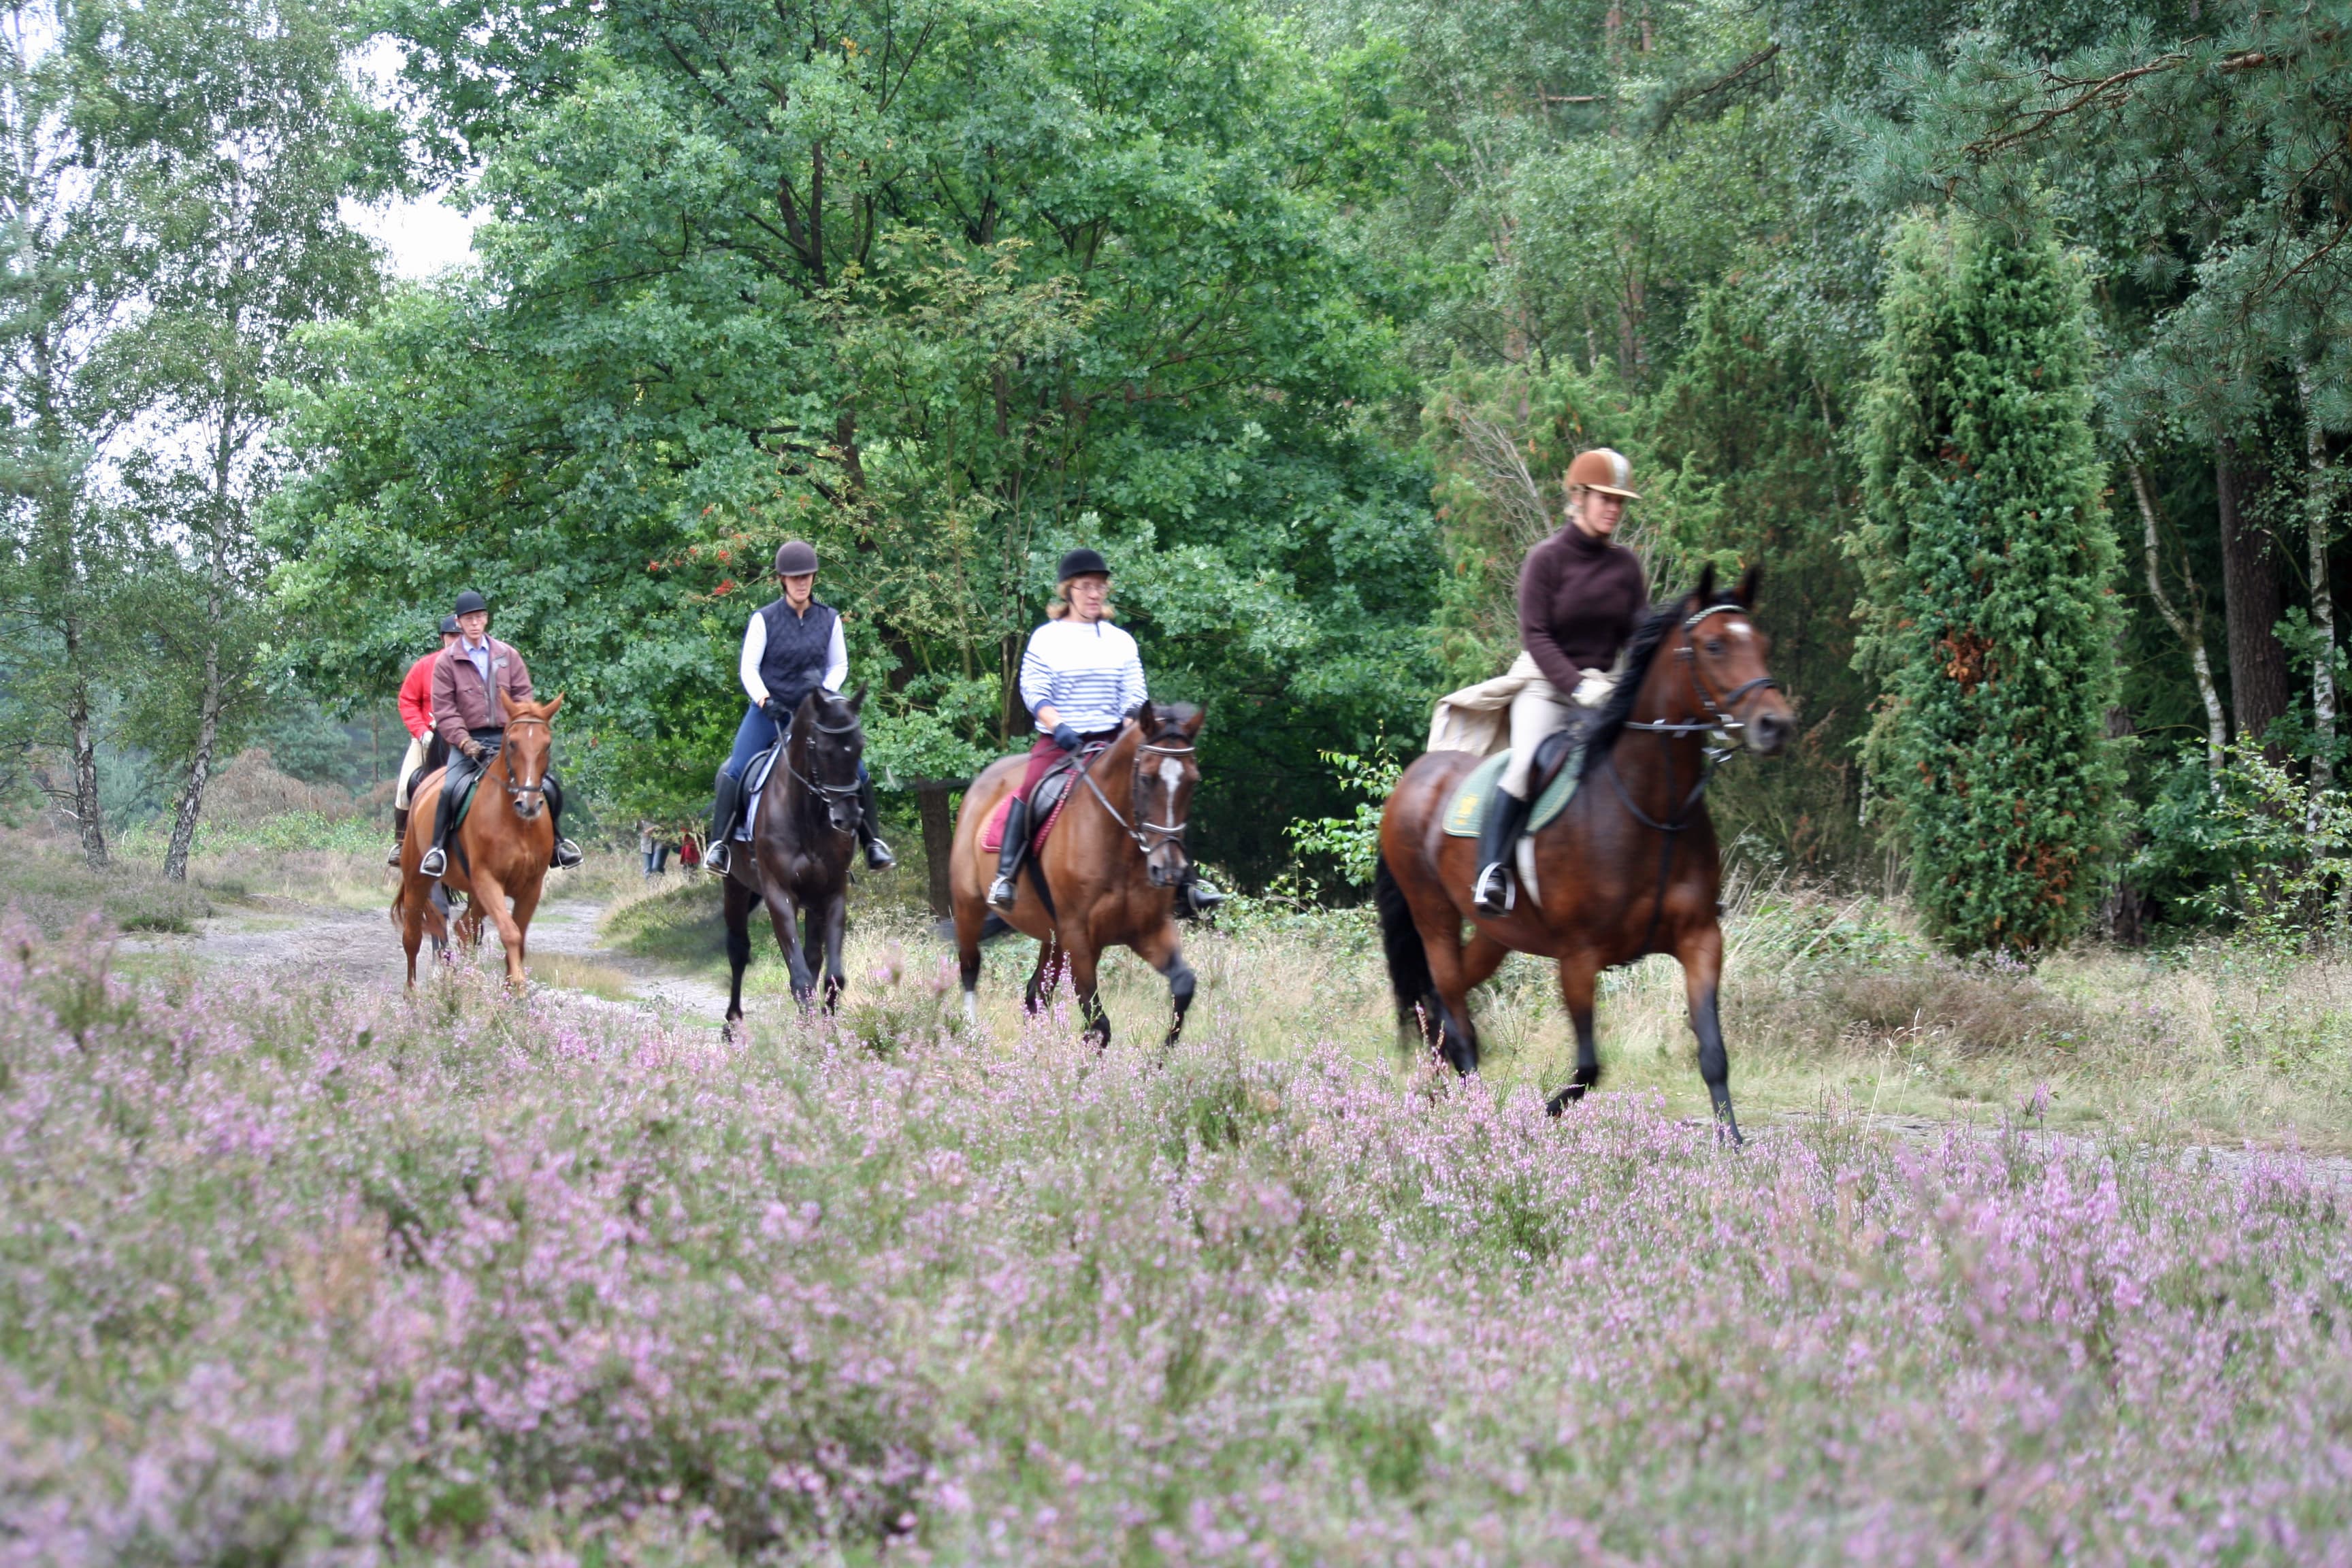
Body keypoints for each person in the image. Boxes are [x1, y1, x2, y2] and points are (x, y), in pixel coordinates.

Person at [988, 548, 1222, 915]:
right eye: (1086, 587)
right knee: (1032, 788)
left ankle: (1185, 886)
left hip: (1113, 741)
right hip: (1060, 740)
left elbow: (1134, 698)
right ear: (1068, 591)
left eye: (1100, 587)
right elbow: (1034, 692)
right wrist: (1058, 726)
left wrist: (1130, 735)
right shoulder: (1046, 638)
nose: (1095, 594)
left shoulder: (1120, 641)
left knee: (1162, 791)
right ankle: (1006, 876)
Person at [1471, 447, 1650, 916]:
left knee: (1650, 760)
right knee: (1526, 764)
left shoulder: (1626, 567)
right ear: (1578, 496)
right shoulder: (1546, 559)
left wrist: (1639, 688)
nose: (1614, 508)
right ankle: (1491, 872)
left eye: (1620, 502)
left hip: (1606, 688)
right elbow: (1536, 635)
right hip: (1545, 685)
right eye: (1605, 498)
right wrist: (1576, 687)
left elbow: (1638, 639)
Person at [703, 540, 895, 877]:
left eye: (806, 576)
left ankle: (873, 844)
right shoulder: (764, 619)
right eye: (795, 578)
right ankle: (719, 846)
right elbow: (748, 668)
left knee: (859, 772)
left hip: (815, 714)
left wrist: (824, 696)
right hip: (771, 710)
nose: (801, 582)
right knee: (735, 770)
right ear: (782, 580)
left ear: (814, 578)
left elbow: (839, 666)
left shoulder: (829, 618)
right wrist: (765, 699)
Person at [417, 589, 585, 879]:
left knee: (549, 784)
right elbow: (444, 709)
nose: (475, 623)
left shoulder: (508, 656)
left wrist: (519, 730)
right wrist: (463, 740)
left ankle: (558, 844)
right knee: (449, 788)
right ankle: (437, 850)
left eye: (480, 617)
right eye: (469, 619)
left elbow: (524, 696)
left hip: (509, 738)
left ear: (486, 619)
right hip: (468, 740)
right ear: (459, 622)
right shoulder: (447, 662)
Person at [388, 615, 460, 867]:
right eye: (452, 636)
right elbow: (407, 701)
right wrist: (421, 732)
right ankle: (401, 842)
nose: (456, 641)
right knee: (404, 787)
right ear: (443, 638)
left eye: (461, 637)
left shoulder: (477, 669)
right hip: (428, 740)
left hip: (465, 740)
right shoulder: (424, 667)